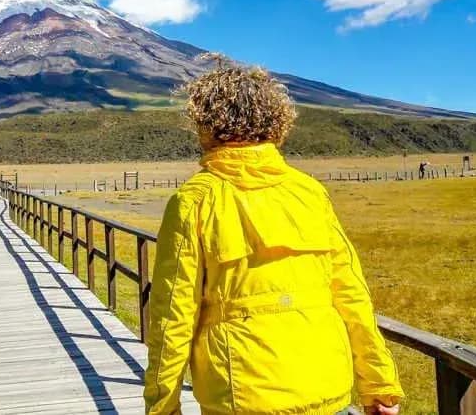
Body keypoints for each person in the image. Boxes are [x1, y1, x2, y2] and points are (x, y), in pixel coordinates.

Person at [144, 64, 403, 415]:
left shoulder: (194, 200)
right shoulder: (309, 192)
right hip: (327, 385)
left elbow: (172, 316)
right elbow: (351, 294)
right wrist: (379, 383)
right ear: (277, 121)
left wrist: (162, 406)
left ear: (204, 123)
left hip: (243, 396)